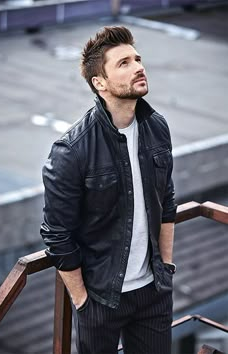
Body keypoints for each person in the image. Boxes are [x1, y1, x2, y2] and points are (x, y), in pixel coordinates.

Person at [40, 26, 177, 354]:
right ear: (99, 83)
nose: (139, 66)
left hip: (153, 291)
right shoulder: (72, 150)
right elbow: (57, 234)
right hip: (101, 299)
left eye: (138, 59)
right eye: (124, 63)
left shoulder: (156, 128)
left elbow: (167, 200)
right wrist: (83, 302)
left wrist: (167, 266)